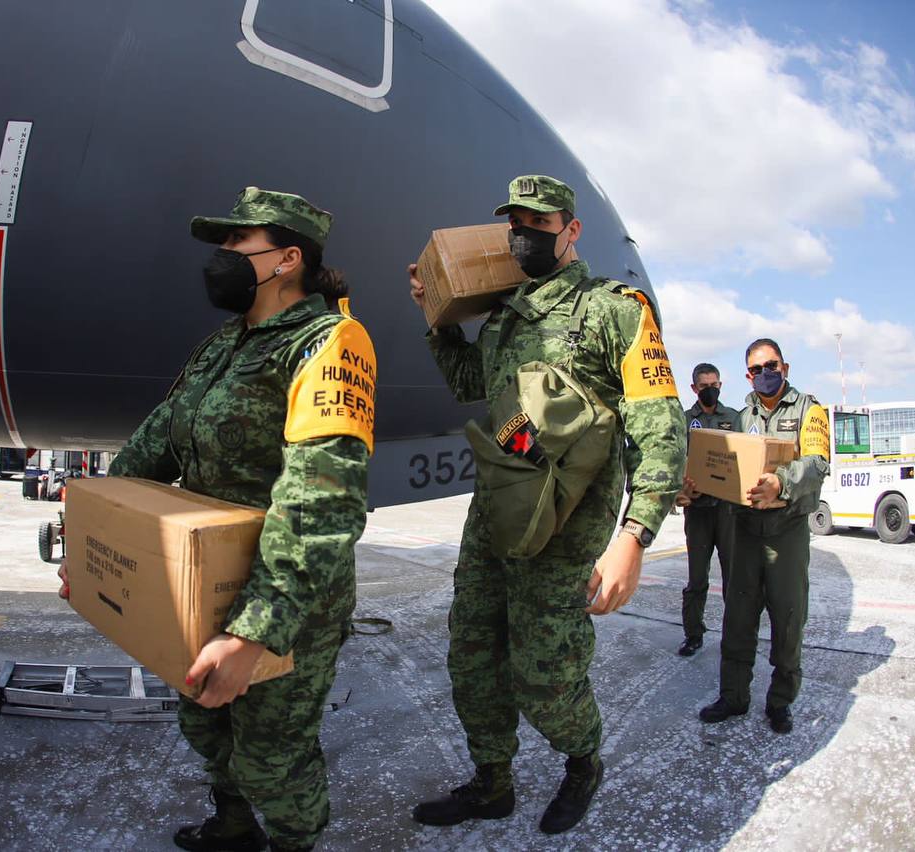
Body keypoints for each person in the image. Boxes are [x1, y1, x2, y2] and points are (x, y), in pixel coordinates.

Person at [63, 187, 374, 852]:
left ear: (287, 259)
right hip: (203, 585)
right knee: (205, 725)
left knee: (272, 758)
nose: (222, 255)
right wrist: (88, 546)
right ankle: (234, 829)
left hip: (287, 602)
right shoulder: (222, 346)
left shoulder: (331, 342)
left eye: (237, 241)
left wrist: (255, 633)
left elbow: (322, 500)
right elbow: (153, 447)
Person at [407, 175, 686, 835]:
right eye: (517, 224)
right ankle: (492, 783)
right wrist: (435, 318)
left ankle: (582, 761)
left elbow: (659, 426)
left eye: (539, 224)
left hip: (570, 521)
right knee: (473, 654)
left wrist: (634, 536)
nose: (524, 235)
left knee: (545, 671)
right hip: (497, 507)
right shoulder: (503, 317)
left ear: (571, 230)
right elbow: (471, 383)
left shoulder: (614, 310)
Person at [698, 338, 829, 735]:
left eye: (771, 366)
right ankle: (734, 696)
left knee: (788, 618)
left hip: (786, 531)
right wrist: (695, 489)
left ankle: (780, 701)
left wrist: (781, 482)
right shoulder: (742, 418)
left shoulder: (809, 410)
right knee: (738, 615)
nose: (765, 374)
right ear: (748, 376)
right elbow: (724, 470)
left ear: (784, 367)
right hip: (745, 530)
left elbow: (817, 463)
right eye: (757, 370)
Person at [674, 363, 738, 656]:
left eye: (714, 385)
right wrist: (681, 489)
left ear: (720, 385)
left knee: (733, 579)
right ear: (694, 389)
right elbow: (676, 460)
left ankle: (735, 635)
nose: (710, 390)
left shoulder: (733, 418)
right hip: (698, 510)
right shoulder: (685, 420)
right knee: (697, 578)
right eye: (704, 386)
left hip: (727, 511)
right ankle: (693, 634)